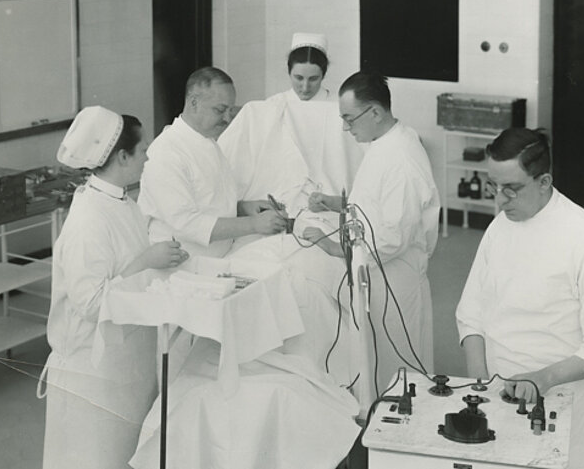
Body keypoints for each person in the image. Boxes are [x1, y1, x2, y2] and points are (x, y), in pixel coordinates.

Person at [455, 128, 584, 469]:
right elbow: (471, 312)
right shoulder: (501, 226)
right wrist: (481, 384)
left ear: (544, 181)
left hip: (563, 398)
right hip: (498, 394)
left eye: (511, 189)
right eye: (494, 186)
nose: (499, 200)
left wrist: (543, 379)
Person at [39, 106, 189, 469]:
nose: (148, 157)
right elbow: (90, 303)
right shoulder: (88, 219)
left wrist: (156, 256)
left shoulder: (120, 200)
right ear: (122, 156)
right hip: (91, 373)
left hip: (124, 362)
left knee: (124, 456)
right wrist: (148, 260)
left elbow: (125, 261)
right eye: (142, 151)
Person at [301, 72, 440, 391]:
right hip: (377, 272)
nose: (346, 128)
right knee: (376, 362)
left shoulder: (400, 158)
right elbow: (375, 205)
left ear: (375, 112)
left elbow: (392, 237)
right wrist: (336, 204)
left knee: (399, 367)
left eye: (349, 119)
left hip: (394, 279)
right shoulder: (384, 143)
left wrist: (334, 246)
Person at [138, 66, 288, 258]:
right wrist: (253, 224)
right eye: (220, 110)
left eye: (230, 111)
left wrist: (242, 208)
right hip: (184, 264)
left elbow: (208, 200)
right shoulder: (165, 152)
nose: (227, 119)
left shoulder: (206, 140)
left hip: (219, 254)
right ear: (194, 103)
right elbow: (187, 223)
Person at [219, 33, 363, 214]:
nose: (305, 87)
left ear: (323, 75)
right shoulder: (272, 107)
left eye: (313, 79)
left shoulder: (338, 109)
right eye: (298, 78)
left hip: (326, 208)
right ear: (289, 73)